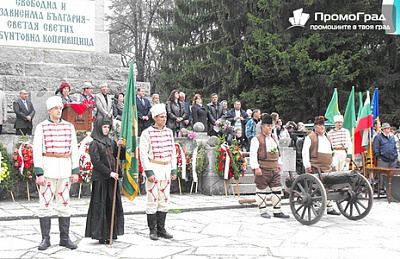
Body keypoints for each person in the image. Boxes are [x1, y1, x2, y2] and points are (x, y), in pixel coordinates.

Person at [32, 96, 79, 250]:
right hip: (48, 170)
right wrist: (39, 172)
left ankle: (64, 238)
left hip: (64, 170)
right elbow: (37, 150)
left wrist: (75, 170)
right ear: (49, 110)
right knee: (45, 205)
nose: (59, 111)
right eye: (56, 109)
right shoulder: (41, 127)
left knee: (64, 205)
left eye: (60, 108)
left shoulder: (69, 127)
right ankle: (45, 239)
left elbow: (74, 149)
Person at [85, 117, 126, 244]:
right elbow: (96, 162)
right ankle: (101, 234)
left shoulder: (111, 142)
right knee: (101, 205)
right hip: (101, 179)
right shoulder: (94, 143)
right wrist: (109, 173)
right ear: (98, 127)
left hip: (112, 179)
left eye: (108, 127)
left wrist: (121, 147)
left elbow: (120, 156)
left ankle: (111, 232)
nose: (106, 129)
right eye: (104, 127)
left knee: (111, 204)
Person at [139, 103, 177, 240]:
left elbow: (173, 151)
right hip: (154, 169)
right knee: (152, 200)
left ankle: (162, 228)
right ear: (155, 118)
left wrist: (173, 168)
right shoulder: (146, 133)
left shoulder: (169, 132)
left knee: (164, 199)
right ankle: (153, 230)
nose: (164, 119)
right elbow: (143, 154)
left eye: (165, 117)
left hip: (166, 169)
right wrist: (148, 171)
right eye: (161, 117)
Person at [249, 114, 289, 219]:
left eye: (271, 126)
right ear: (262, 127)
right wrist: (255, 167)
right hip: (262, 168)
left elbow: (278, 153)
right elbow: (253, 154)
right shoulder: (256, 139)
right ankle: (263, 210)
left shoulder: (274, 139)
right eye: (268, 125)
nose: (270, 127)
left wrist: (279, 163)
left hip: (274, 169)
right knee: (261, 189)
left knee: (277, 189)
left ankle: (277, 210)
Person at [302, 116, 340, 215]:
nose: (322, 127)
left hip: (327, 166)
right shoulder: (310, 137)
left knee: (329, 186)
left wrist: (333, 163)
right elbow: (305, 152)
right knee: (316, 187)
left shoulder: (327, 137)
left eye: (323, 125)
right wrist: (307, 165)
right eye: (319, 125)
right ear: (315, 127)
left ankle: (329, 206)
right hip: (315, 165)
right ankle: (316, 205)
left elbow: (332, 151)